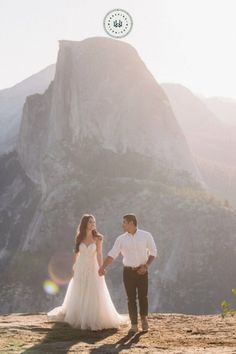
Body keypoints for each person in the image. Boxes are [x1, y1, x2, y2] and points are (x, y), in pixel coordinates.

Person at [47, 214, 129, 331]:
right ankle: (79, 316)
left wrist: (101, 268)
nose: (93, 224)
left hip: (92, 266)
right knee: (80, 289)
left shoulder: (98, 238)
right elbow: (76, 253)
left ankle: (92, 318)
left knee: (93, 289)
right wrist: (74, 267)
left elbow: (99, 254)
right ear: (85, 223)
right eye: (90, 222)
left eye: (94, 222)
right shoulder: (79, 237)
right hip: (80, 267)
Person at [98, 214, 157, 334]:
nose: (122, 224)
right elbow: (112, 254)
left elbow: (153, 252)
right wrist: (103, 267)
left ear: (131, 223)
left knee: (143, 296)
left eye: (124, 222)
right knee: (130, 299)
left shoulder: (146, 235)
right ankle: (134, 325)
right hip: (128, 272)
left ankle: (144, 319)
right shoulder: (121, 239)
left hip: (142, 271)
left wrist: (145, 266)